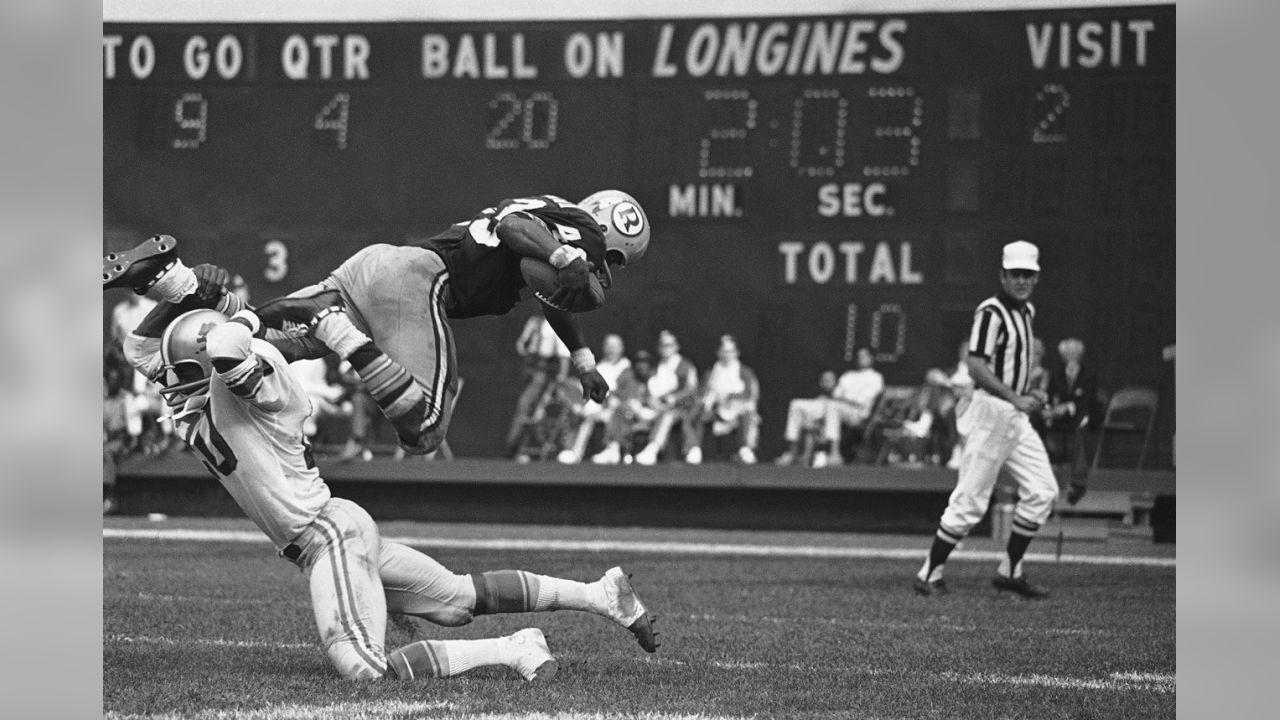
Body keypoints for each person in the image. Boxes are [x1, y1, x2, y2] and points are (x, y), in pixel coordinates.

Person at [102, 248, 659, 682]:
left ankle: (513, 649)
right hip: (334, 526)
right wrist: (180, 288)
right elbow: (143, 349)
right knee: (457, 601)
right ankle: (599, 594)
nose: (170, 371)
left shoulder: (255, 378)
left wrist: (216, 306)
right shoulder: (197, 386)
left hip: (327, 536)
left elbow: (223, 346)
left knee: (365, 668)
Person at [249, 192, 649, 460]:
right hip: (422, 281)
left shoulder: (555, 218)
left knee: (275, 344)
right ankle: (343, 335)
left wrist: (582, 361)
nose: (606, 271)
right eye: (613, 261)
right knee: (424, 429)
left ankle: (225, 321)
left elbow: (549, 294)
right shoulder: (585, 234)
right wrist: (565, 256)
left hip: (381, 266)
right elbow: (513, 226)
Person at [914, 240, 1057, 599]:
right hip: (993, 414)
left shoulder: (1026, 312)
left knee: (1042, 491)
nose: (1022, 280)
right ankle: (929, 572)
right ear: (1003, 276)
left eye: (1028, 274)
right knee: (971, 501)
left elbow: (1012, 367)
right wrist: (1015, 396)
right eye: (1015, 274)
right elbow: (976, 366)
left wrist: (1030, 391)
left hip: (1013, 416)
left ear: (1036, 277)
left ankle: (1010, 570)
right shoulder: (991, 312)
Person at [558, 334, 631, 464]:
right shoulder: (599, 366)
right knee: (569, 391)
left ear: (621, 348)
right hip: (590, 406)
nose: (611, 349)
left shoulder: (626, 368)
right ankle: (569, 449)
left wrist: (605, 402)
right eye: (609, 346)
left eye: (615, 346)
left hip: (612, 410)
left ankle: (607, 449)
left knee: (590, 417)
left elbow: (624, 393)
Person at [507, 313, 571, 459]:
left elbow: (563, 355)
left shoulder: (560, 321)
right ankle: (517, 448)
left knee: (530, 408)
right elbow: (522, 345)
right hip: (529, 368)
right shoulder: (534, 321)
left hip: (546, 372)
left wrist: (560, 378)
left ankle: (515, 448)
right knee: (523, 408)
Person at [689, 335, 760, 464]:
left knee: (746, 414)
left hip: (737, 410)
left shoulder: (745, 372)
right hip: (716, 411)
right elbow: (702, 393)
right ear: (718, 352)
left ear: (736, 353)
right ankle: (695, 449)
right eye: (723, 351)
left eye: (730, 351)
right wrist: (709, 400)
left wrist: (730, 397)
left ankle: (745, 449)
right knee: (698, 414)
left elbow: (749, 395)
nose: (726, 355)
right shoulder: (711, 373)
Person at [1043, 337, 1100, 501]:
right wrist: (1049, 411)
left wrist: (1067, 407)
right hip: (1060, 417)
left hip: (1084, 414)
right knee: (1039, 422)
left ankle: (1078, 482)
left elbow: (1088, 400)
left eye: (1075, 352)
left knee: (1080, 426)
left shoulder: (1089, 373)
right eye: (1068, 352)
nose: (1072, 355)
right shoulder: (1057, 372)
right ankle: (1045, 475)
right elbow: (1049, 396)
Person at [633, 330, 701, 465]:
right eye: (663, 345)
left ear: (676, 346)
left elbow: (691, 390)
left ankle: (653, 449)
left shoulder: (685, 366)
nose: (666, 349)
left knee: (667, 415)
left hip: (681, 409)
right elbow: (649, 390)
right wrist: (650, 401)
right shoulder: (657, 368)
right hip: (657, 409)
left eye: (669, 345)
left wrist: (673, 399)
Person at [816, 348, 884, 467]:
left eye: (864, 356)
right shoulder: (848, 376)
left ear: (871, 358)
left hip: (859, 414)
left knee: (832, 407)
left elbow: (861, 401)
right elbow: (836, 394)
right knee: (800, 405)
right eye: (859, 356)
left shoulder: (876, 377)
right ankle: (796, 452)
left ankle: (834, 453)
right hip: (839, 407)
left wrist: (844, 399)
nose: (861, 358)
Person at [590, 350, 658, 464]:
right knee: (620, 410)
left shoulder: (655, 378)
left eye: (645, 362)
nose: (641, 365)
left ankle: (615, 447)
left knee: (624, 410)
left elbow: (656, 403)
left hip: (651, 416)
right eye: (638, 362)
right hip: (627, 414)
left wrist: (642, 408)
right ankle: (613, 448)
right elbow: (615, 394)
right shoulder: (628, 375)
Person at [774, 370, 838, 467]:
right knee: (795, 405)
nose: (827, 382)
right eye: (824, 380)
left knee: (830, 409)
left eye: (830, 380)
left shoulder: (841, 392)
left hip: (838, 411)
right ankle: (792, 452)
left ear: (836, 381)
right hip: (820, 412)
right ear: (820, 382)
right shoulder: (819, 399)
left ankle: (834, 454)